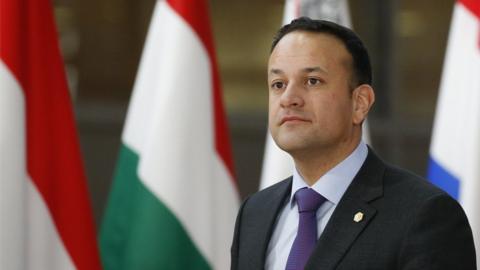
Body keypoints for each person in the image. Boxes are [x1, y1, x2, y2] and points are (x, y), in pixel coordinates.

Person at [230, 17, 476, 270]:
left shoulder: (424, 215)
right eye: (278, 84)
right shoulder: (254, 213)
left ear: (360, 103)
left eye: (312, 81)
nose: (289, 98)